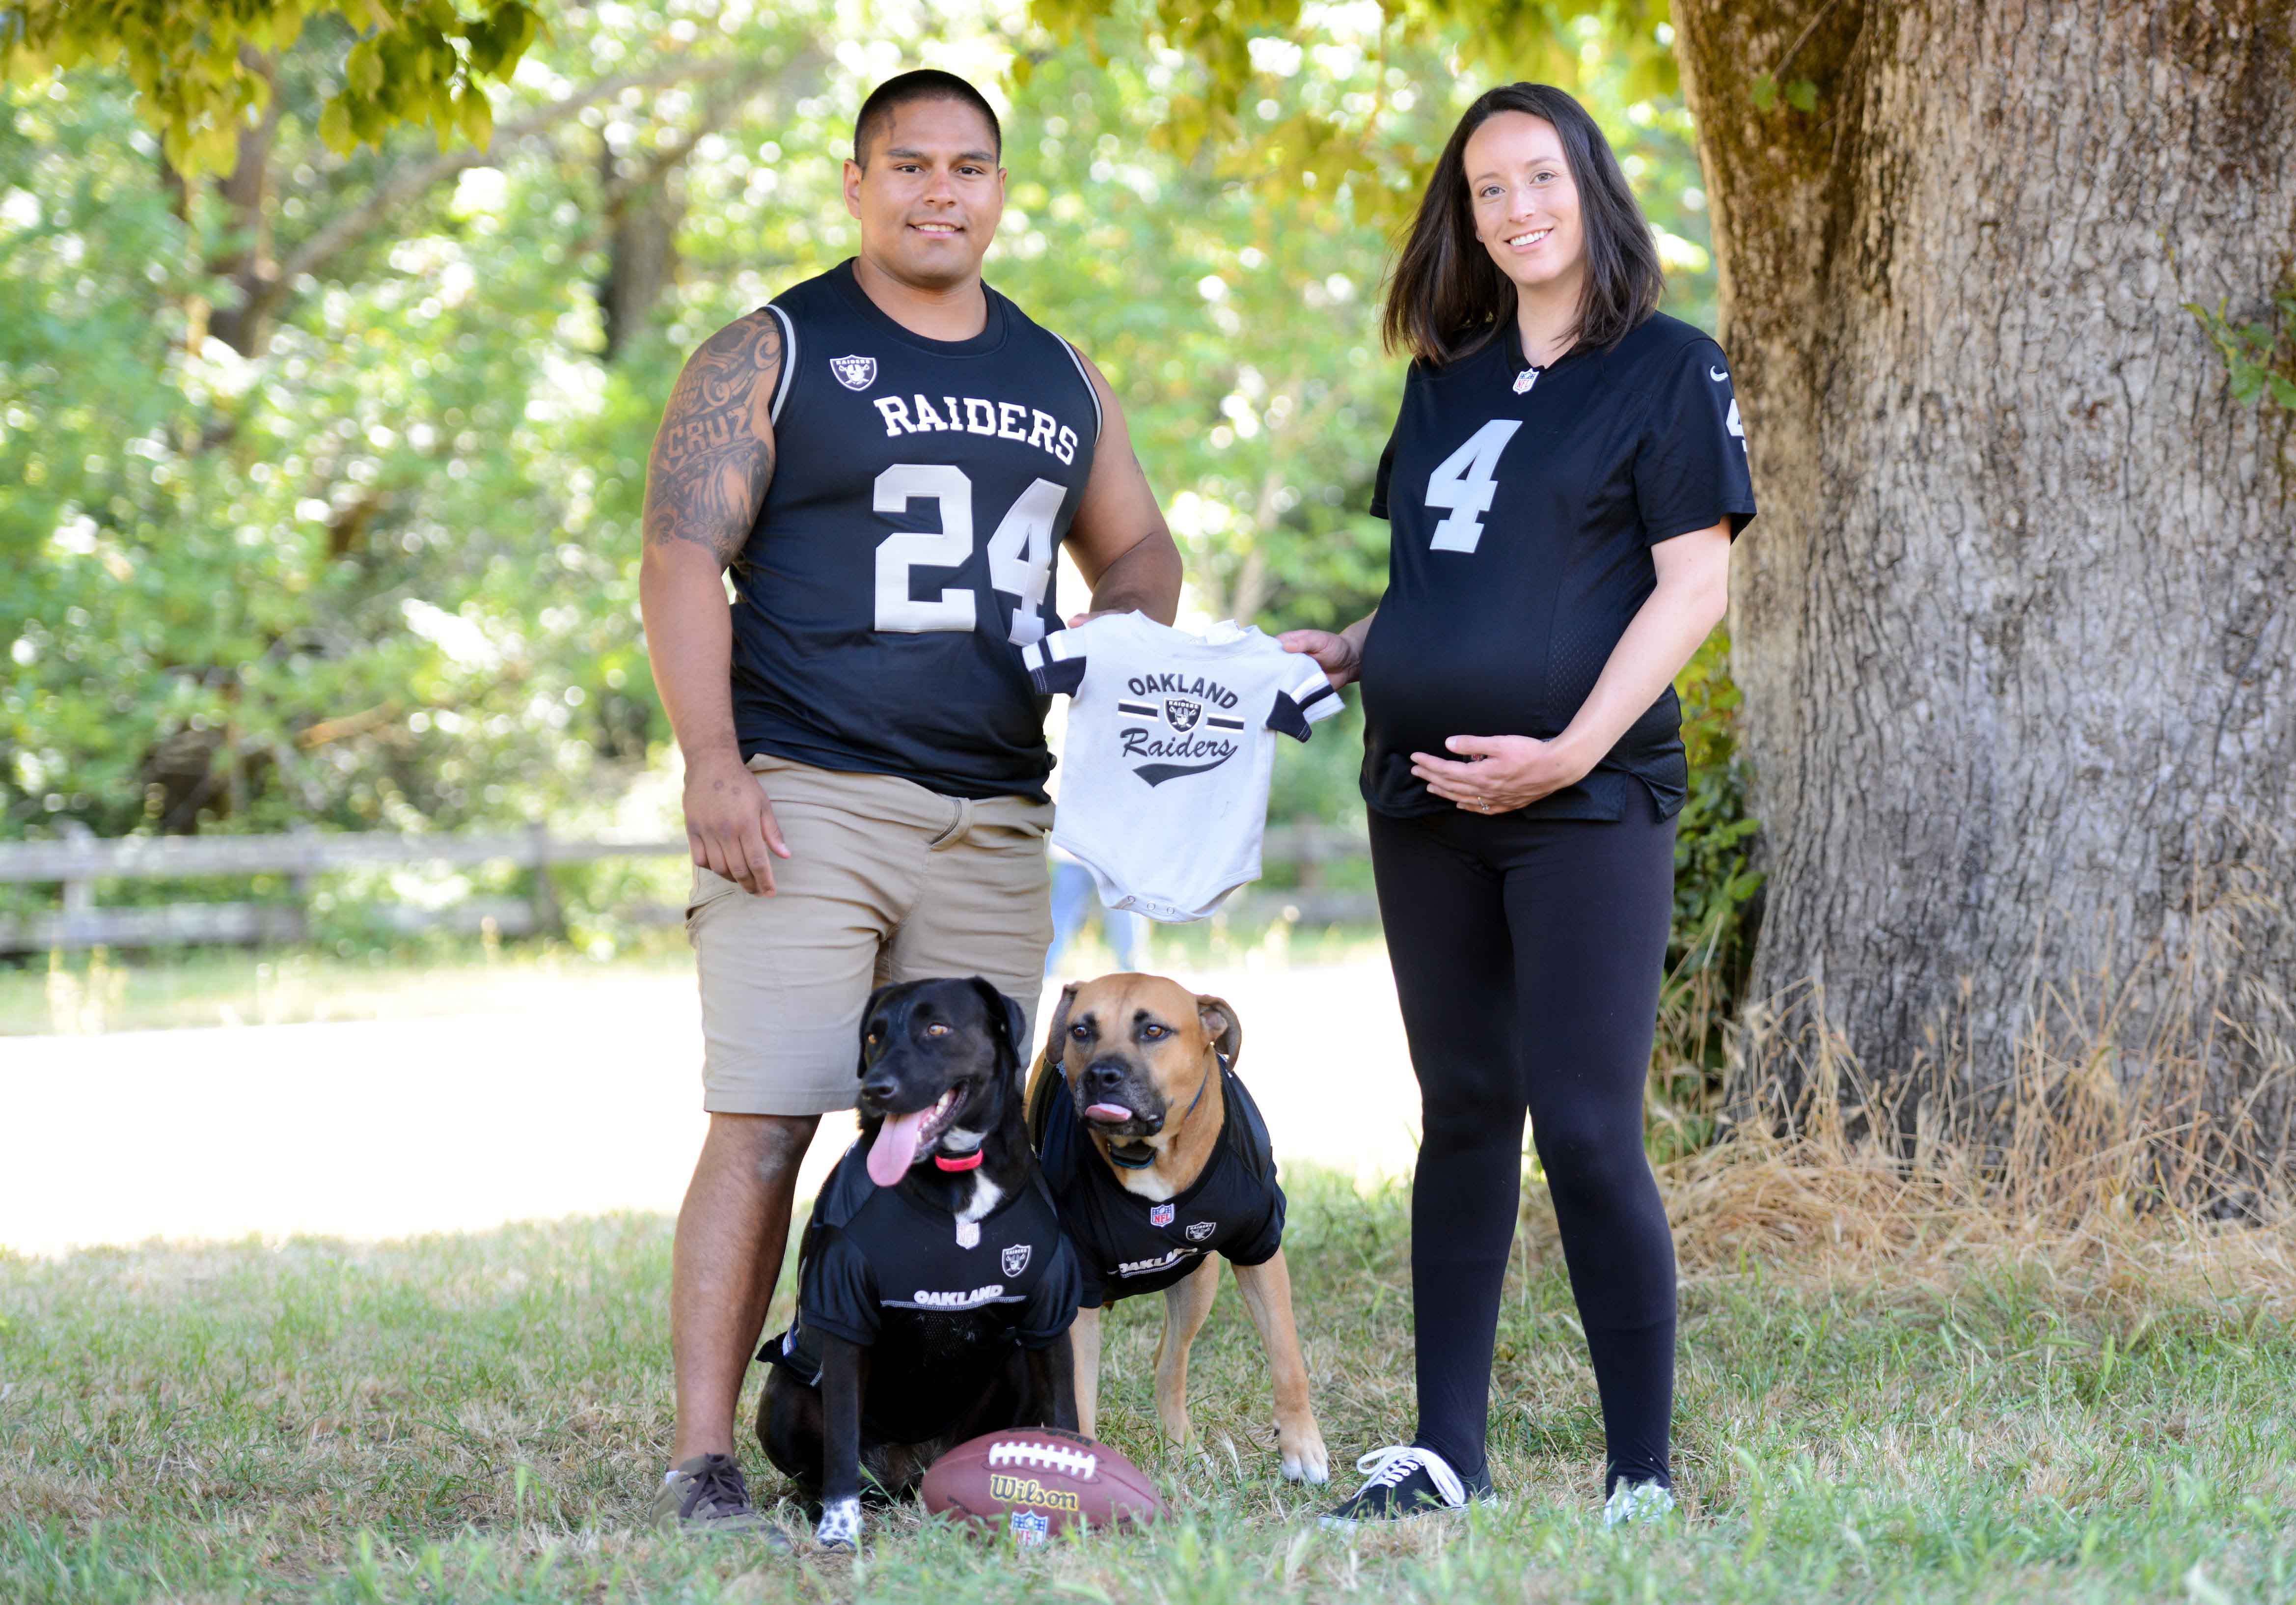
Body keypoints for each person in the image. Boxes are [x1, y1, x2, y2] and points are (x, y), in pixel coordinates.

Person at [637, 69, 1181, 1548]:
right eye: (909, 164)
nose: (940, 189)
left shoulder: (1061, 371)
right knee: (766, 1119)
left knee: (980, 1136)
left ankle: (982, 1439)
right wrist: (712, 761)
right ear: (858, 183)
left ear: (1000, 190)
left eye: (968, 167)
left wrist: (1106, 661)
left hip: (996, 813)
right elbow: (684, 556)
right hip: (807, 798)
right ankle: (703, 1460)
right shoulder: (775, 349)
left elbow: (1138, 558)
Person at [1281, 82, 1751, 1528]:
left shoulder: (1668, 367)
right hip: (1420, 795)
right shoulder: (1447, 373)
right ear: (1466, 216)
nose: (1515, 209)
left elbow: (1694, 584)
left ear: (1590, 187)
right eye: (1487, 190)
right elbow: (1444, 575)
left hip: (1584, 801)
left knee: (1589, 1121)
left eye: (1538, 177)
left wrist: (1573, 746)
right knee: (1466, 1108)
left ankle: (1640, 1476)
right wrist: (1359, 649)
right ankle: (1448, 1453)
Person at [1044, 843, 1147, 976]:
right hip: (1079, 851)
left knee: (1124, 914)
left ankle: (1130, 970)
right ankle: (1043, 969)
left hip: (1108, 854)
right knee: (1062, 915)